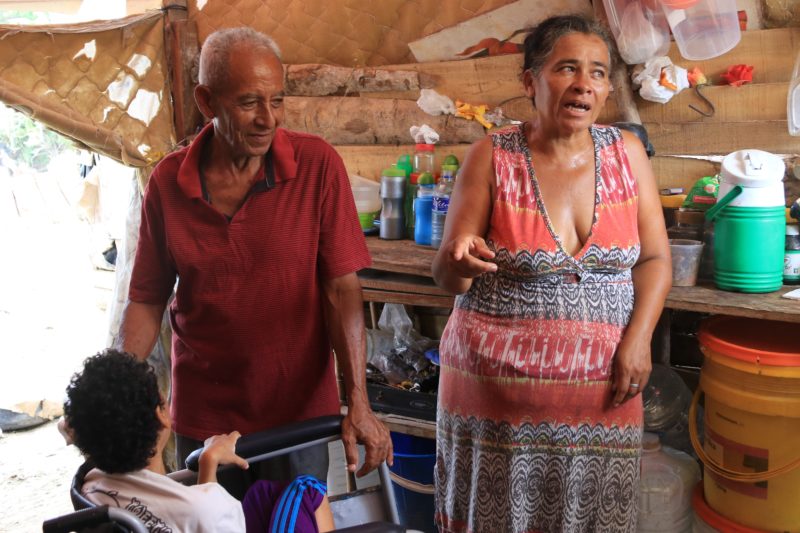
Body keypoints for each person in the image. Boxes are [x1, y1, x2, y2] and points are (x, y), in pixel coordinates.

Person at [117, 27, 391, 482]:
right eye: (249, 103)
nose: (269, 119)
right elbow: (146, 300)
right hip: (207, 418)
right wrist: (115, 393)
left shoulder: (317, 165)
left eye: (277, 101)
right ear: (207, 102)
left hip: (296, 417)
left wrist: (358, 400)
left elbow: (342, 290)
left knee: (293, 523)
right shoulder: (167, 184)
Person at [431, 15, 671, 532]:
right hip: (496, 404)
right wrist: (457, 258)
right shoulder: (491, 157)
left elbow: (654, 259)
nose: (585, 83)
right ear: (530, 81)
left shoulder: (627, 155)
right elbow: (448, 276)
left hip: (604, 399)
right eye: (567, 68)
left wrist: (639, 339)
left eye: (598, 72)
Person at [64, 349, 335, 533]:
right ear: (161, 417)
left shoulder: (89, 483)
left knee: (264, 495)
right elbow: (213, 520)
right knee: (307, 490)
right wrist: (209, 462)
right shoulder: (201, 507)